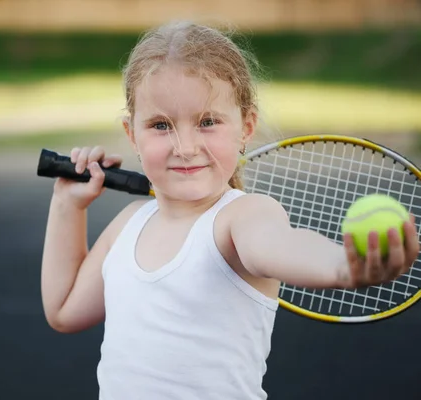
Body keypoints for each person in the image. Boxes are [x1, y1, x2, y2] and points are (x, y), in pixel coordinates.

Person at [40, 20, 418, 399]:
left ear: (245, 128)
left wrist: (343, 266)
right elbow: (64, 310)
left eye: (207, 122)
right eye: (160, 125)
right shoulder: (126, 226)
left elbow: (282, 244)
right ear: (131, 134)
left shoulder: (240, 218)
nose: (184, 146)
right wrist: (66, 205)